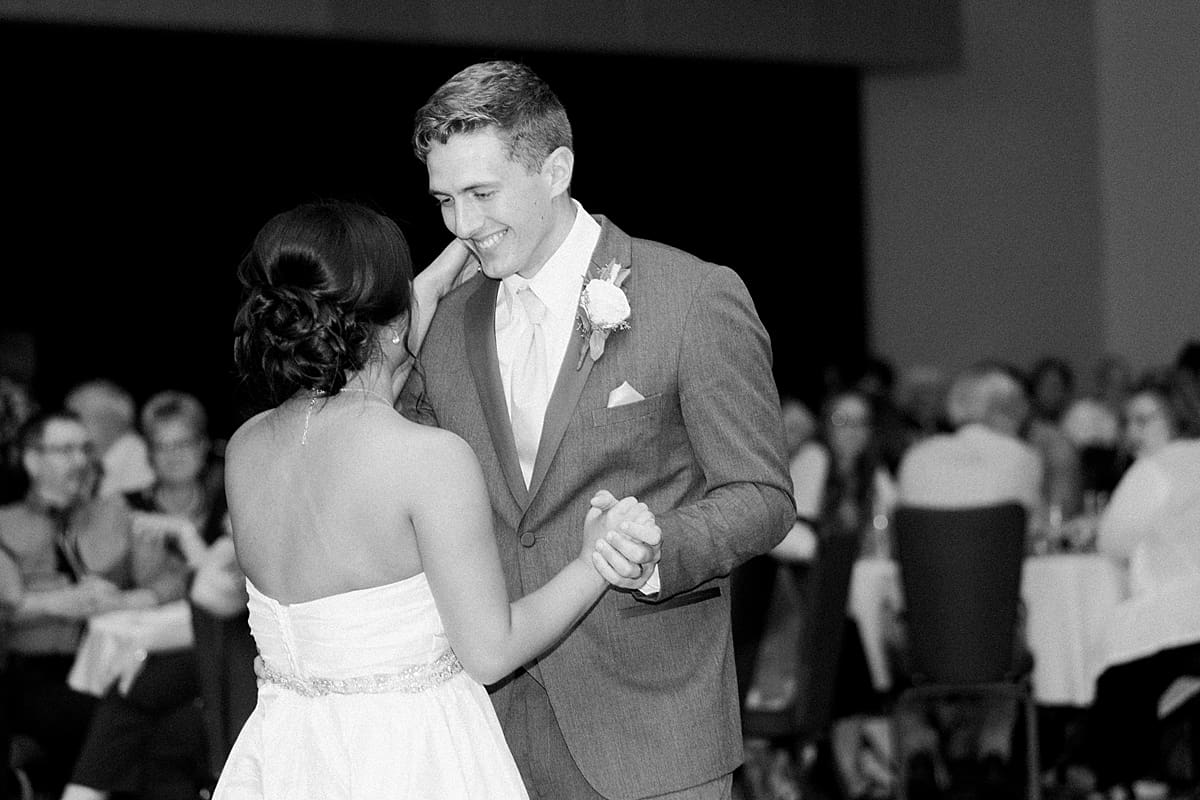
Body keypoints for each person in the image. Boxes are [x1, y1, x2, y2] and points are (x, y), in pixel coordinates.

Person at [405, 60, 794, 799]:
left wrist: (654, 549)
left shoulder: (692, 296)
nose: (464, 226)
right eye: (446, 200)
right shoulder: (446, 326)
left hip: (650, 723)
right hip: (486, 733)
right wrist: (410, 324)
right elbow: (402, 487)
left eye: (483, 194)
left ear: (556, 169)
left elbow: (762, 495)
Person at [213, 200, 658, 800]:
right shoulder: (428, 458)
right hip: (411, 759)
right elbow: (491, 651)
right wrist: (592, 561)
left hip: (287, 756)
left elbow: (352, 401)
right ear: (393, 321)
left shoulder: (246, 447)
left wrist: (408, 308)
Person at [0, 410, 188, 798]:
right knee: (111, 719)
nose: (81, 460)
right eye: (65, 450)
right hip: (36, 672)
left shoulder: (113, 514)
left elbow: (175, 577)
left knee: (168, 709)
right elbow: (9, 606)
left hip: (109, 664)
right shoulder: (6, 524)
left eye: (85, 448)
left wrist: (131, 598)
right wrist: (59, 603)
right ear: (32, 460)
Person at [59, 391, 229, 800]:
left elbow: (220, 590)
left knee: (136, 693)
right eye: (161, 445)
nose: (173, 455)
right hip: (158, 644)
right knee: (166, 727)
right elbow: (98, 579)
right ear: (148, 452)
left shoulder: (226, 502)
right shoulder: (126, 505)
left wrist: (177, 548)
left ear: (203, 445)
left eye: (182, 443)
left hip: (208, 641)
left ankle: (82, 790)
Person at [893, 363, 1044, 800]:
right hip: (997, 641)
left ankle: (919, 746)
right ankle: (994, 751)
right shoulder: (1023, 459)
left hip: (923, 641)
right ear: (1005, 411)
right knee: (1012, 622)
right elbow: (1033, 540)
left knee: (893, 625)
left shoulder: (916, 458)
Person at [1086, 368, 1200, 797]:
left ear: (1178, 415)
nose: (1131, 432)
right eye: (1127, 421)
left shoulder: (1154, 469)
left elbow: (1112, 541)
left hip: (1181, 623)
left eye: (1143, 420)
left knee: (1118, 660)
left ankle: (1132, 781)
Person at [63, 379, 155, 498]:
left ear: (109, 420)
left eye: (76, 420)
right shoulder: (98, 465)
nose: (69, 429)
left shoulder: (146, 463)